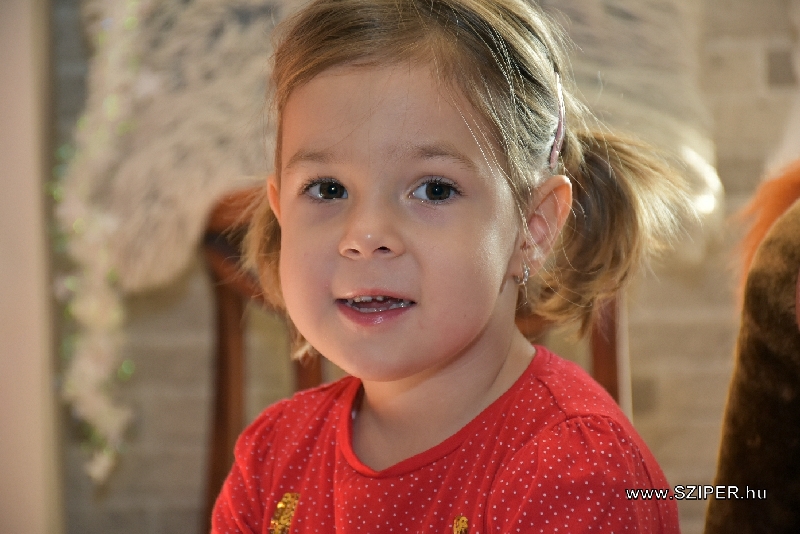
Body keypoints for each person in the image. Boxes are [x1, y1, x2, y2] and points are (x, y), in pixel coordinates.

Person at [212, 0, 689, 532]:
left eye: (434, 190)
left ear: (531, 228)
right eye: (327, 189)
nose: (365, 236)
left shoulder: (576, 473)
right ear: (281, 212)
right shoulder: (270, 458)